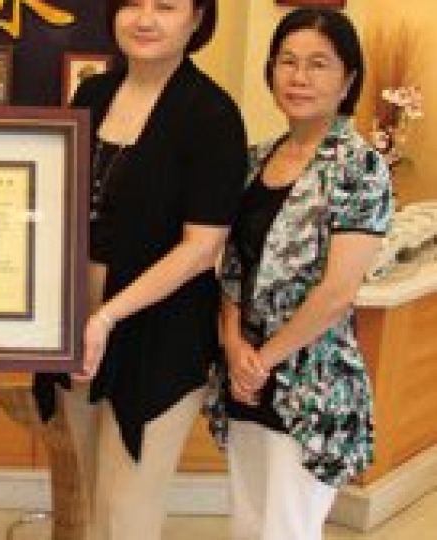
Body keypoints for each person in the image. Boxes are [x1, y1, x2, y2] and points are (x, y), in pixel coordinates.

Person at [33, 0, 248, 538]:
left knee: (126, 512)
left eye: (166, 6)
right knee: (90, 501)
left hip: (158, 332)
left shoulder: (212, 115)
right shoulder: (92, 94)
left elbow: (201, 248)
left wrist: (107, 317)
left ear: (197, 19)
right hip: (78, 326)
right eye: (132, 3)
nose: (145, 19)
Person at [205, 8, 393, 540]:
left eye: (318, 64)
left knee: (287, 529)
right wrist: (234, 343)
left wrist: (263, 360)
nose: (299, 77)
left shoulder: (359, 167)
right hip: (245, 376)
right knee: (247, 522)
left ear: (348, 79)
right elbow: (233, 268)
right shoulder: (254, 160)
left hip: (310, 382)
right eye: (287, 62)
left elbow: (337, 293)